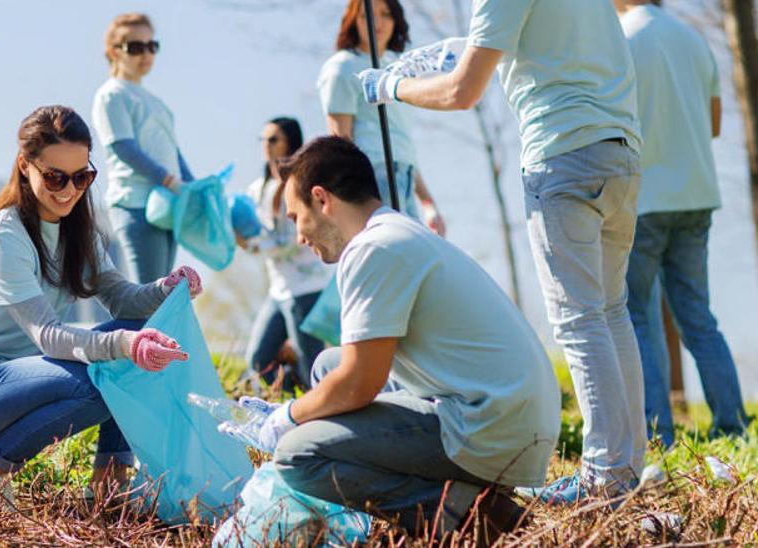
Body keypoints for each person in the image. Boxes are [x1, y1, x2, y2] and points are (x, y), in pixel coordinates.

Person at [361, 0, 646, 503]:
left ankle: (604, 481)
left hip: (562, 156)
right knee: (610, 312)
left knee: (580, 320)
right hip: (618, 150)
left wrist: (390, 87)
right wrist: (466, 47)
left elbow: (461, 90)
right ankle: (624, 471)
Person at [238, 136, 559, 540]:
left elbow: (359, 383)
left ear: (322, 199)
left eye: (295, 216)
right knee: (326, 366)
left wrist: (288, 417)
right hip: (506, 413)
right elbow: (352, 372)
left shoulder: (374, 249)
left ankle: (472, 513)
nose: (299, 236)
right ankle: (438, 495)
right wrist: (304, 411)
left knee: (298, 456)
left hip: (491, 427)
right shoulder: (395, 232)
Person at [0, 106, 201, 500]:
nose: (69, 190)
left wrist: (164, 288)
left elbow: (123, 300)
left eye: (82, 176)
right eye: (55, 177)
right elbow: (48, 336)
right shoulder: (1, 237)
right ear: (25, 165)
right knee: (106, 376)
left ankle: (110, 483)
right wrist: (122, 347)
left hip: (24, 380)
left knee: (137, 338)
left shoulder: (78, 233)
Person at [616, 0, 747, 448]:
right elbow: (712, 124)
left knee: (638, 317)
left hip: (644, 199)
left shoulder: (621, 40)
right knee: (698, 318)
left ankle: (659, 436)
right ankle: (733, 428)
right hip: (697, 195)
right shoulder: (694, 38)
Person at [316, 0, 444, 234]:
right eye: (367, 15)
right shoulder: (343, 67)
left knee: (415, 256)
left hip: (404, 176)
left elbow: (401, 142)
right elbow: (340, 142)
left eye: (386, 14)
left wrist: (427, 201)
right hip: (373, 176)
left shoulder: (397, 70)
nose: (378, 22)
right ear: (354, 20)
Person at [92, 12, 196, 283]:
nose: (146, 54)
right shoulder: (111, 94)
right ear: (114, 52)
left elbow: (173, 151)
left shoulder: (157, 102)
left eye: (152, 46)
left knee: (162, 294)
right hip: (135, 203)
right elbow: (123, 147)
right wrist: (167, 179)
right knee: (148, 294)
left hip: (168, 203)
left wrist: (192, 185)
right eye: (136, 47)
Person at [239, 117, 332, 393]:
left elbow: (297, 237)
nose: (266, 146)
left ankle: (322, 409)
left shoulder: (301, 183)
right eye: (263, 140)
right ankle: (300, 401)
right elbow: (251, 226)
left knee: (312, 363)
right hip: (278, 289)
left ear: (290, 142)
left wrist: (255, 245)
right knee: (258, 359)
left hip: (306, 287)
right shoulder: (258, 188)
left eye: (273, 139)